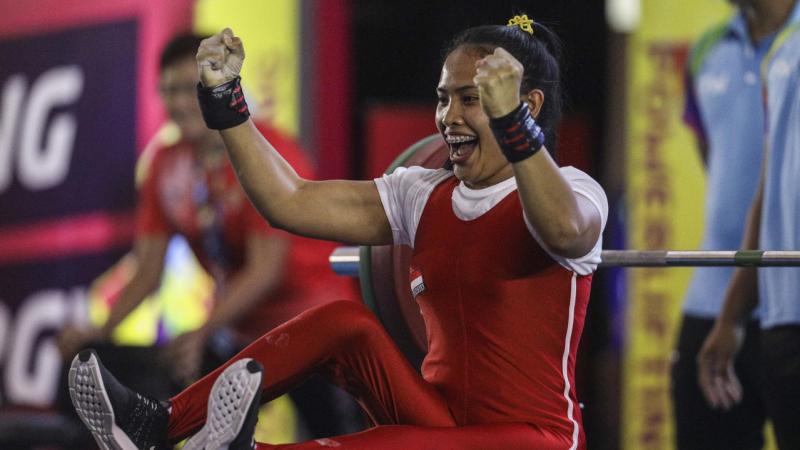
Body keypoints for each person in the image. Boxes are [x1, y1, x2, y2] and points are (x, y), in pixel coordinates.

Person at [69, 15, 608, 449]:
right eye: (444, 98)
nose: (448, 117)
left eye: (472, 99)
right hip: (438, 420)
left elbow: (565, 233)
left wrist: (513, 122)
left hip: (533, 438)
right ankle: (159, 424)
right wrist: (225, 102)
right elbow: (290, 201)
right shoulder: (421, 193)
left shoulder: (574, 190)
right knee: (345, 320)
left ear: (527, 105)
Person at [57, 32, 360, 438]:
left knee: (340, 436)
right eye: (167, 91)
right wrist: (101, 331)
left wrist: (202, 331)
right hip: (239, 330)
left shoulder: (265, 147)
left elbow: (266, 270)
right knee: (152, 377)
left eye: (188, 89)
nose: (178, 103)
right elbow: (147, 272)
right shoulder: (164, 165)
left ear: (215, 86)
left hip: (313, 324)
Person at [671, 1, 799, 448]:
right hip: (716, 297)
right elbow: (733, 170)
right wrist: (732, 309)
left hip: (789, 300)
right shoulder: (706, 49)